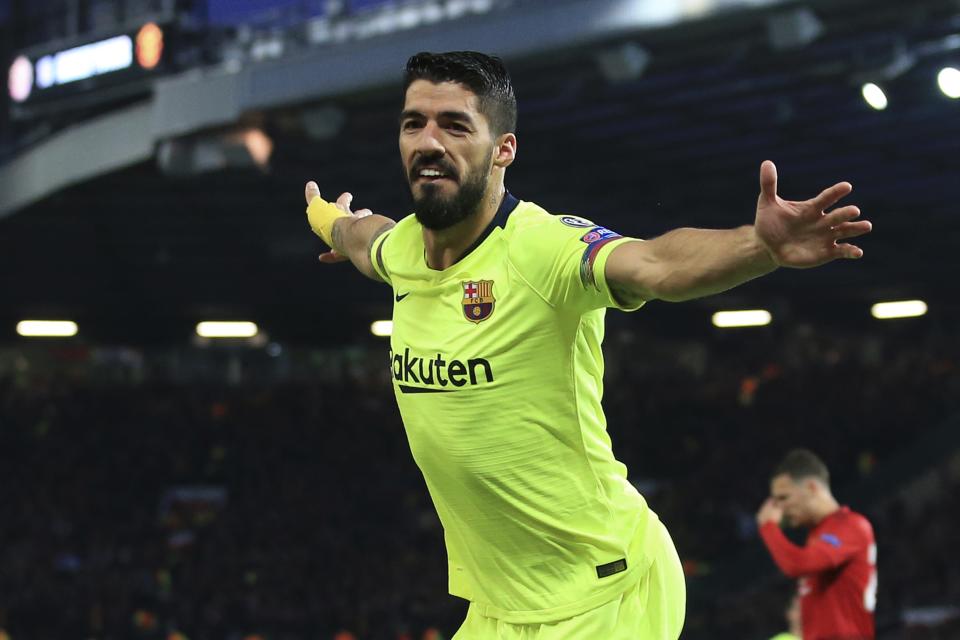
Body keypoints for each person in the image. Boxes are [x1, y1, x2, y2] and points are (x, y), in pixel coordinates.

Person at [303, 51, 872, 639]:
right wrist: (326, 217)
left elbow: (654, 262)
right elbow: (359, 235)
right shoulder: (401, 252)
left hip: (605, 593)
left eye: (455, 125)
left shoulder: (542, 249)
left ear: (503, 150)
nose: (429, 141)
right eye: (413, 123)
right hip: (501, 606)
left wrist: (760, 247)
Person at [757, 449, 877, 640]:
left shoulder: (850, 525)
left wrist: (769, 527)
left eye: (784, 498)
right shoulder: (818, 537)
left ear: (812, 488)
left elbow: (798, 564)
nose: (780, 509)